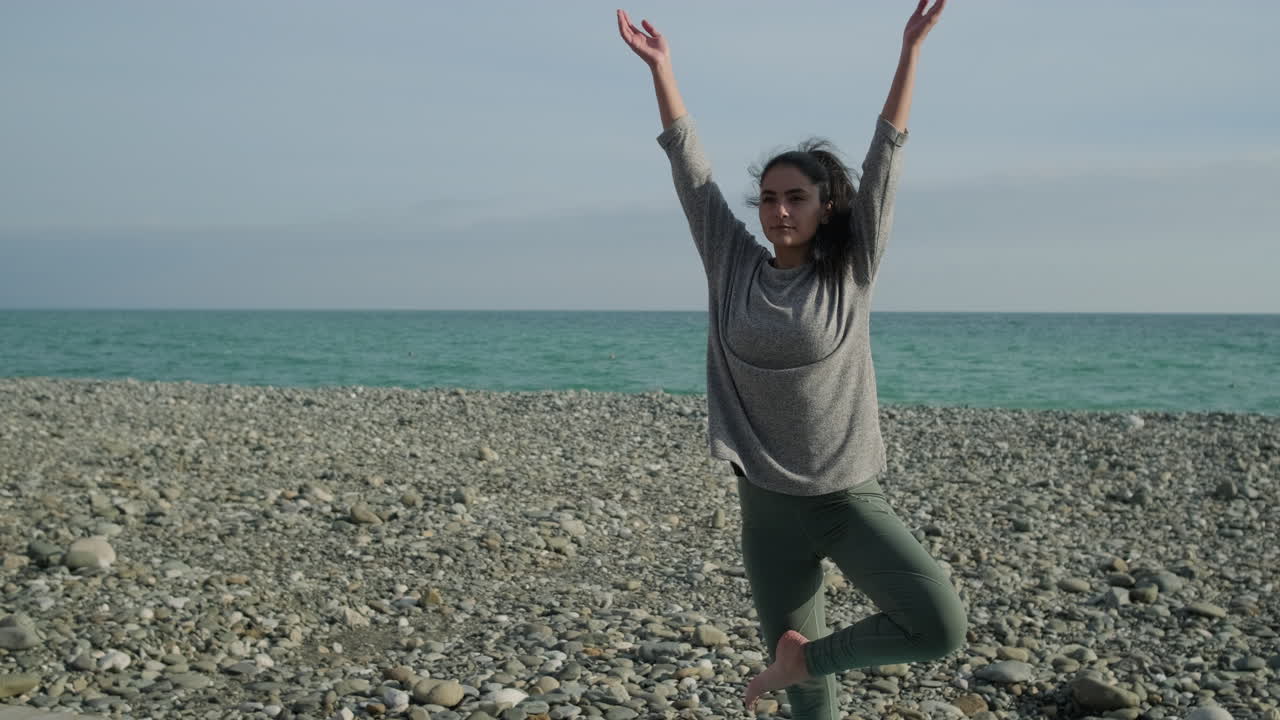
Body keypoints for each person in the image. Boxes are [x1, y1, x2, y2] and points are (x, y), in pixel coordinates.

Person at [616, 3, 965, 718]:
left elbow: (887, 157)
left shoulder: (851, 269)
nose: (779, 211)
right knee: (808, 697)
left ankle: (807, 660)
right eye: (769, 199)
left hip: (843, 500)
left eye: (795, 198)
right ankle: (803, 668)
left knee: (937, 625)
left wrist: (910, 53)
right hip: (765, 509)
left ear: (825, 206)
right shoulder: (731, 263)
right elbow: (691, 170)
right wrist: (662, 69)